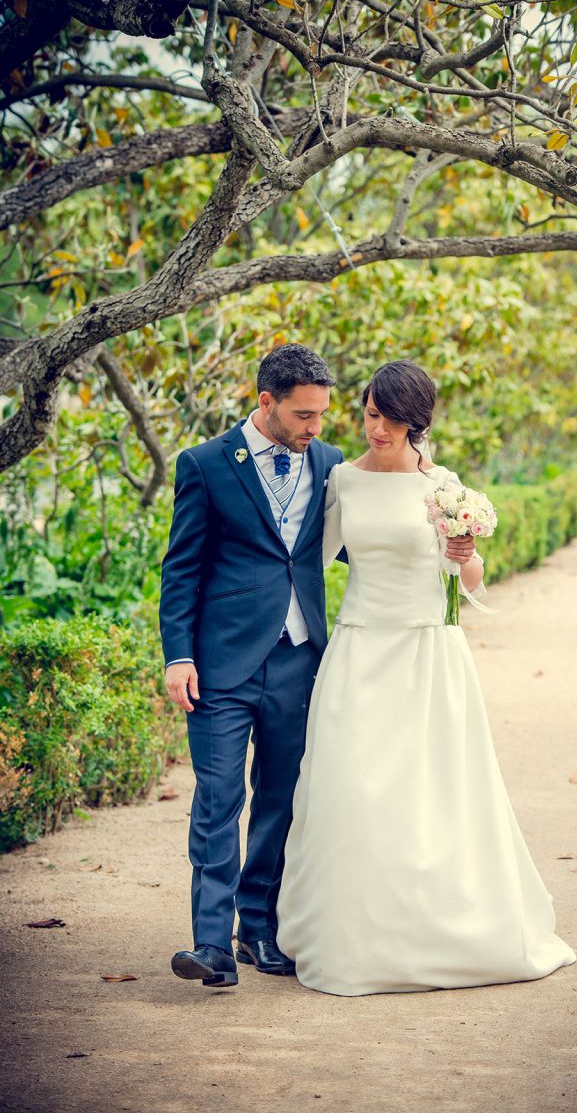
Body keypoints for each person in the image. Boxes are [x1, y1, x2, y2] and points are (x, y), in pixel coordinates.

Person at [276, 360, 576, 996]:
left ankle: (437, 928)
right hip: (359, 653)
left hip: (428, 654)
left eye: (392, 420)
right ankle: (351, 935)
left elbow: (467, 578)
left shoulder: (443, 488)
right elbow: (305, 562)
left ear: (416, 423)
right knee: (350, 790)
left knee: (431, 794)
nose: (377, 429)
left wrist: (466, 556)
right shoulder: (341, 480)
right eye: (370, 414)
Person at [159, 343, 343, 987]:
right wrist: (179, 655)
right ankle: (209, 942)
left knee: (279, 797)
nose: (314, 427)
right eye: (302, 415)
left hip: (299, 658)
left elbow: (358, 543)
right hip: (221, 664)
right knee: (218, 798)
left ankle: (257, 929)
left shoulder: (331, 463)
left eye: (321, 414)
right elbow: (181, 568)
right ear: (266, 401)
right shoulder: (206, 464)